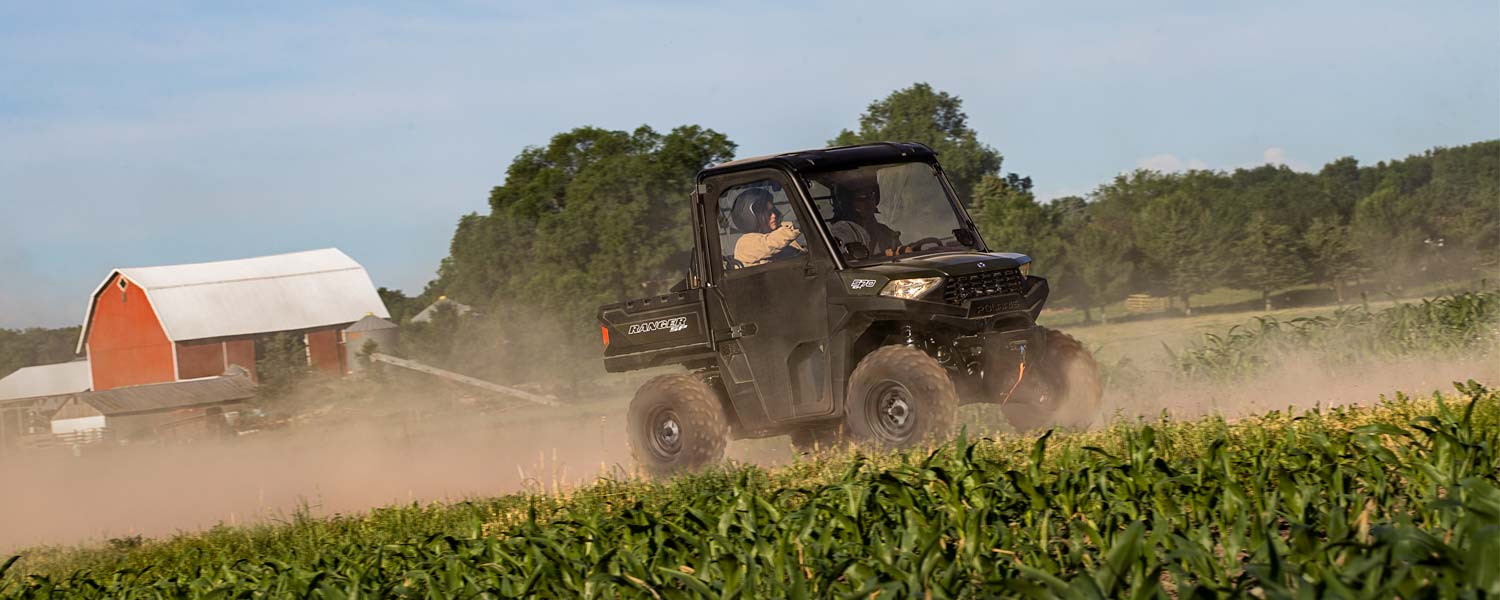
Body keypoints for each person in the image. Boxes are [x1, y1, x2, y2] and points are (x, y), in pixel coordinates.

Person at [730, 188, 804, 268]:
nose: (774, 215)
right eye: (768, 213)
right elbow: (770, 243)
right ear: (751, 218)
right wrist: (794, 227)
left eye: (773, 211)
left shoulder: (776, 236)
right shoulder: (745, 243)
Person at [826, 179, 902, 256]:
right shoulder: (841, 232)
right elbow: (847, 260)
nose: (868, 202)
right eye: (861, 198)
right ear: (848, 203)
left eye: (871, 195)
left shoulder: (884, 232)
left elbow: (900, 255)